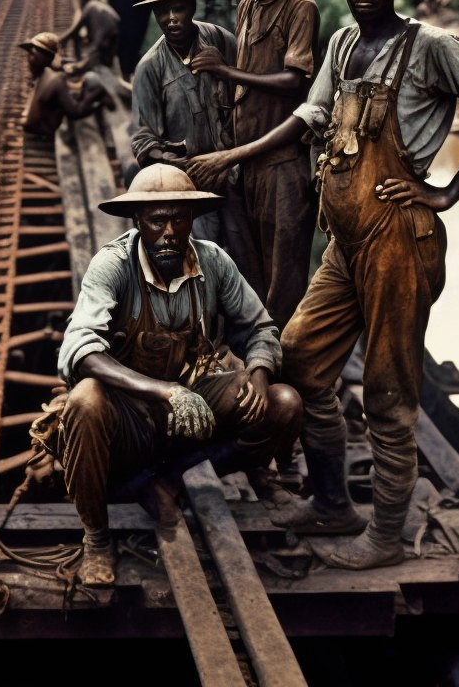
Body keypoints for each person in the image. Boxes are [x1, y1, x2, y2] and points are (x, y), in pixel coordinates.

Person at [189, 0, 459, 570]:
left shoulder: (429, 47)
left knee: (389, 392)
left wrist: (448, 191)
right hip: (345, 243)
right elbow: (313, 115)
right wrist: (237, 150)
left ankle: (386, 539)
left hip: (399, 242)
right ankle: (333, 503)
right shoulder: (342, 44)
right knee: (302, 356)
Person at [42, 164, 302, 585]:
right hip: (128, 412)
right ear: (137, 222)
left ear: (191, 220)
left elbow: (259, 328)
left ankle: (180, 475)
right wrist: (161, 390)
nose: (168, 231)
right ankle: (97, 537)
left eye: (178, 219)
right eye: (156, 220)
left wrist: (258, 371)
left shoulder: (213, 261)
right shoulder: (112, 266)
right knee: (84, 402)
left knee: (283, 403)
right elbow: (79, 350)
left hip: (190, 398)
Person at [188, 0, 320, 331]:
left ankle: (288, 374)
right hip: (248, 162)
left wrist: (226, 71)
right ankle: (261, 353)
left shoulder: (300, 7)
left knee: (285, 273)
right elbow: (247, 86)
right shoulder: (247, 5)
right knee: (254, 266)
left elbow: (295, 81)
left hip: (282, 162)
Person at [130, 0, 243, 251]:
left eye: (178, 9)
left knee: (246, 254)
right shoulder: (150, 68)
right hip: (190, 183)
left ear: (192, 5)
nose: (170, 19)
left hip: (235, 171)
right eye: (161, 12)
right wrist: (182, 166)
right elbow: (144, 140)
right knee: (204, 255)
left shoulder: (220, 40)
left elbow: (249, 96)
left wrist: (224, 70)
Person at [19, 31, 111, 137]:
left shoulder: (43, 74)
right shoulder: (57, 80)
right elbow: (75, 112)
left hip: (32, 127)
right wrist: (96, 95)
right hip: (41, 132)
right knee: (93, 88)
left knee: (78, 91)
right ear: (52, 57)